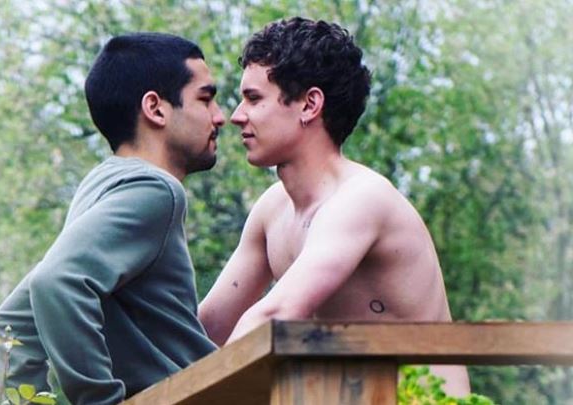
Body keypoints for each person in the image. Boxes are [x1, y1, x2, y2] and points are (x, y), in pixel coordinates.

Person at [198, 17, 470, 396]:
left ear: (310, 105)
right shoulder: (272, 210)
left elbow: (274, 315)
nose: (237, 115)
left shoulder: (362, 198)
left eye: (254, 98)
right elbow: (206, 328)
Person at [0, 33, 225, 405]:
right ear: (156, 108)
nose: (220, 116)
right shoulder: (156, 191)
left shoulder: (100, 186)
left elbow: (11, 325)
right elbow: (57, 282)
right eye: (205, 98)